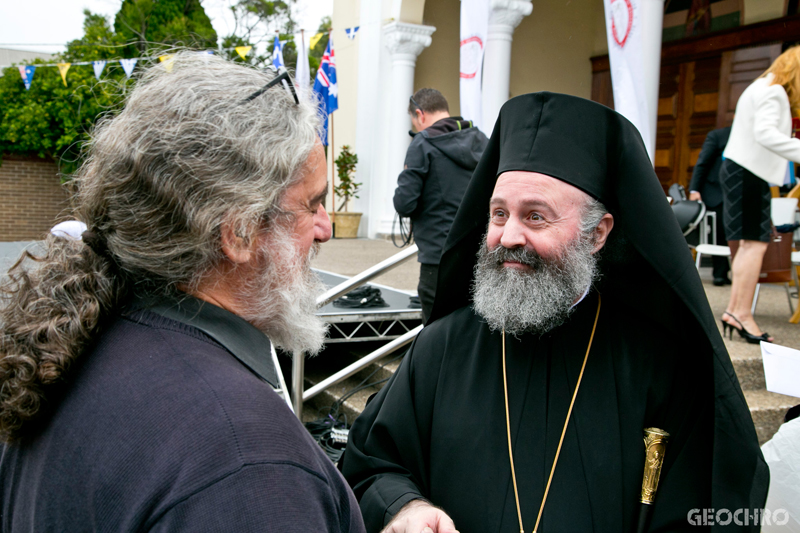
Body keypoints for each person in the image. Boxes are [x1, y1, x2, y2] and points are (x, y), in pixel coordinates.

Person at [343, 92, 768, 532]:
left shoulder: (659, 365)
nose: (508, 236)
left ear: (597, 234)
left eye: (536, 217)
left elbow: (707, 507)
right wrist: (405, 507)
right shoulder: (442, 347)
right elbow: (371, 466)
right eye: (499, 213)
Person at [0, 53, 365, 533]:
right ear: (237, 233)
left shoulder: (73, 342)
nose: (325, 229)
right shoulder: (247, 462)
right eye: (312, 204)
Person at [720, 46, 800, 344]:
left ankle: (735, 311)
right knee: (754, 245)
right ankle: (741, 313)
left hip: (742, 170)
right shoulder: (775, 91)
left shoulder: (759, 86)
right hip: (749, 172)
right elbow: (766, 134)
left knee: (749, 245)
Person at [393, 88, 488, 321]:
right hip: (480, 253)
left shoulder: (422, 144)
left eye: (414, 122)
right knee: (473, 326)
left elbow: (404, 203)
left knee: (436, 332)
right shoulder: (482, 139)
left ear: (420, 114)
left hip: (439, 258)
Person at [689, 126, 732, 285]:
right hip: (715, 192)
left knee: (730, 235)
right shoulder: (718, 136)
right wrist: (694, 189)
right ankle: (719, 273)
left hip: (735, 193)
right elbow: (703, 163)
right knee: (719, 233)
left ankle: (725, 272)